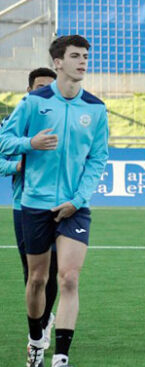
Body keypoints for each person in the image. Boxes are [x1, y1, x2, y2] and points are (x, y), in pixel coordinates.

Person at [0, 35, 109, 367]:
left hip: (75, 207)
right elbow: (4, 142)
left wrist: (78, 199)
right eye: (75, 56)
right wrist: (29, 143)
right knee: (36, 280)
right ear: (58, 62)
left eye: (85, 56)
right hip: (34, 204)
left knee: (70, 278)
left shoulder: (95, 108)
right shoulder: (33, 103)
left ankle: (61, 358)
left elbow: (97, 158)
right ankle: (36, 342)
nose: (82, 62)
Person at [0, 67, 59, 352]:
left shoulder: (63, 118)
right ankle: (40, 322)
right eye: (39, 86)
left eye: (49, 86)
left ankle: (45, 324)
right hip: (24, 206)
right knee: (33, 272)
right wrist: (19, 164)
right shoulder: (19, 120)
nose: (44, 91)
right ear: (29, 90)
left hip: (58, 206)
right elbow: (1, 158)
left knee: (57, 270)